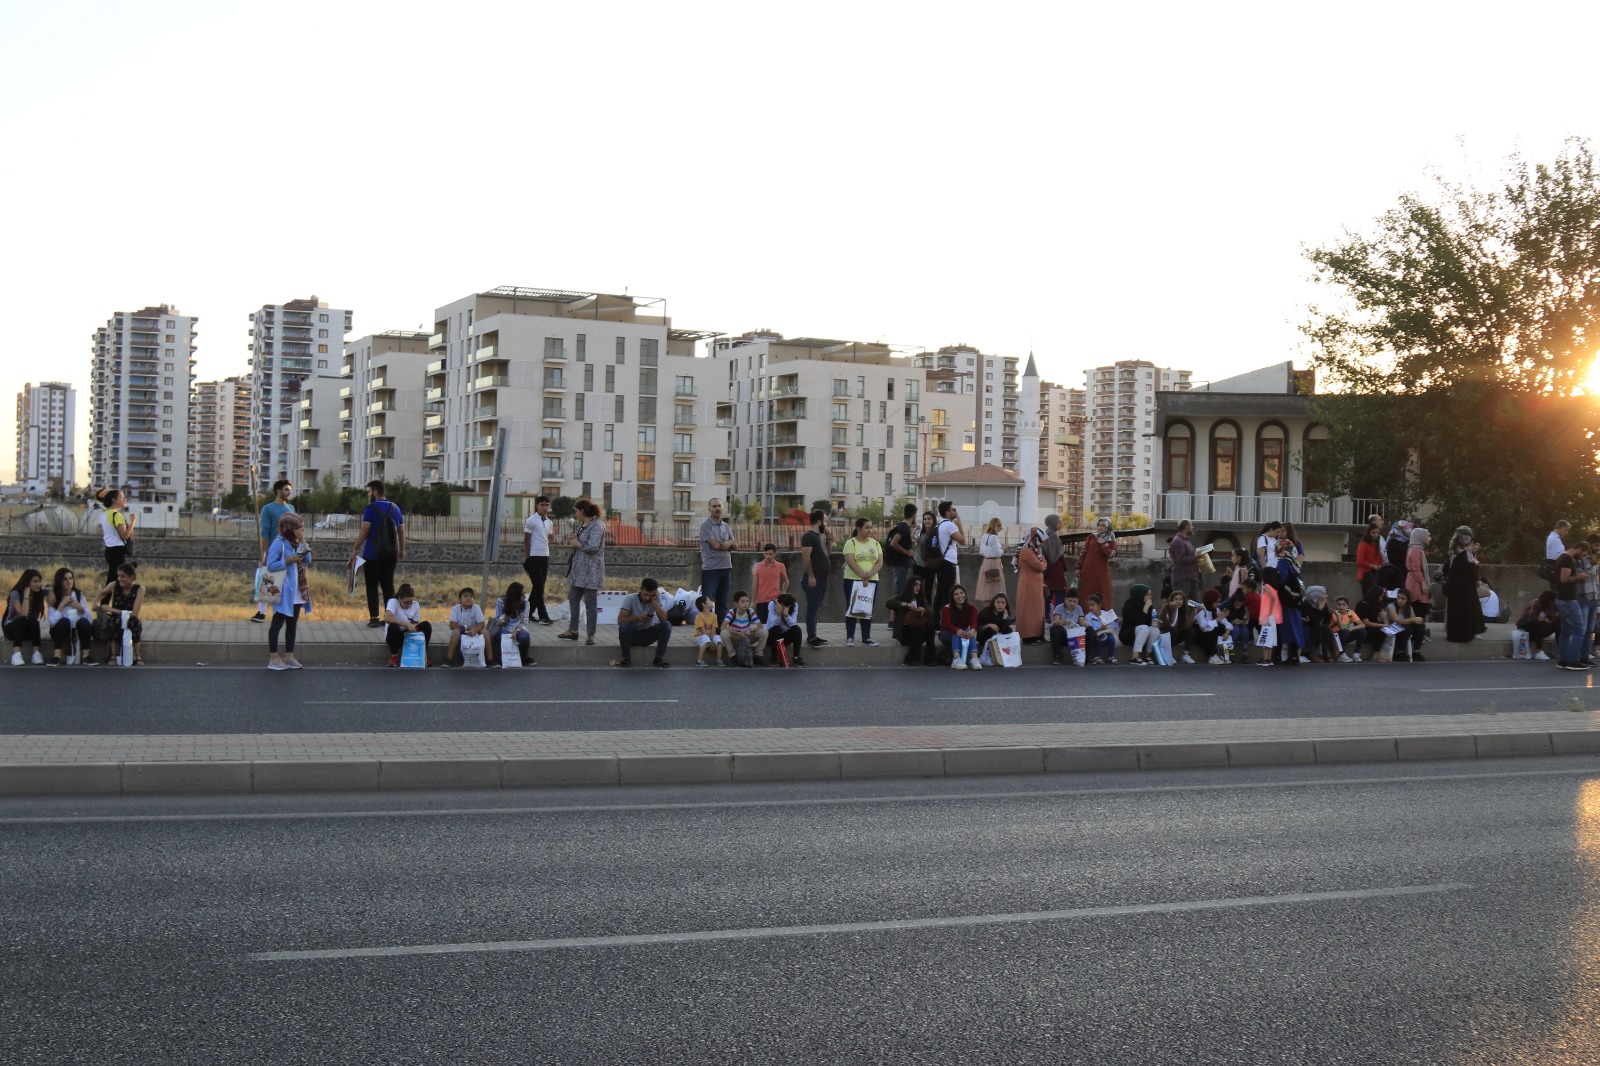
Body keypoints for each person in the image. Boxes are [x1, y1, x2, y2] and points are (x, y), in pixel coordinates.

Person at [349, 480, 405, 629]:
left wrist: (355, 547)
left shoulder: (370, 508)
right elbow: (401, 531)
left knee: (372, 586)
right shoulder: (396, 508)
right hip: (391, 555)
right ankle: (389, 617)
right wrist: (402, 550)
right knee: (388, 586)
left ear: (375, 492)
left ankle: (374, 617)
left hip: (372, 554)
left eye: (369, 491)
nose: (368, 494)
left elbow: (365, 529)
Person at [264, 512, 313, 671]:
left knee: (292, 624)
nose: (302, 530)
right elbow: (270, 565)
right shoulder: (279, 543)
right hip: (283, 591)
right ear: (291, 529)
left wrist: (302, 541)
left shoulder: (296, 543)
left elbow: (308, 560)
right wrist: (287, 561)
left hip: (297, 591)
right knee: (277, 624)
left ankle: (289, 656)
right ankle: (273, 658)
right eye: (300, 528)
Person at [558, 500, 605, 646]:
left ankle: (591, 634)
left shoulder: (597, 525)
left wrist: (577, 544)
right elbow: (581, 543)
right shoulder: (583, 525)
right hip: (579, 570)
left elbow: (593, 546)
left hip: (591, 570)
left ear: (583, 511)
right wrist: (574, 539)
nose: (576, 514)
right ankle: (573, 630)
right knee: (573, 597)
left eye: (577, 511)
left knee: (590, 603)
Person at [254, 479, 295, 623]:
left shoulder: (291, 509)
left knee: (286, 582)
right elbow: (264, 532)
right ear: (278, 491)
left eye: (290, 490)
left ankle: (283, 613)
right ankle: (261, 613)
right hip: (272, 549)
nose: (289, 492)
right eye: (286, 489)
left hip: (287, 551)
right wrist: (267, 553)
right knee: (267, 580)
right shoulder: (268, 509)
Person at [841, 516, 883, 648]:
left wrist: (869, 575)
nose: (869, 530)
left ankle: (866, 637)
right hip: (853, 580)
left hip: (872, 580)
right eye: (867, 527)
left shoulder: (875, 543)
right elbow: (850, 560)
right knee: (852, 607)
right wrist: (862, 575)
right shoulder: (851, 543)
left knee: (867, 608)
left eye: (871, 527)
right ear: (859, 529)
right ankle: (850, 637)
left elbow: (880, 561)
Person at [615, 576, 672, 668]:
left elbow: (664, 619)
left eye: (651, 595)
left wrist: (654, 601)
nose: (647, 597)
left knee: (667, 625)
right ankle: (626, 659)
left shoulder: (656, 599)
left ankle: (658, 659)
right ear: (641, 589)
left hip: (647, 634)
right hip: (632, 635)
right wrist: (637, 618)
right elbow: (620, 620)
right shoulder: (630, 599)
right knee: (624, 626)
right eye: (645, 594)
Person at [96, 562, 145, 666]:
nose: (119, 579)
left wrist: (110, 609)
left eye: (123, 576)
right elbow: (103, 593)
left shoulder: (139, 589)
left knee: (135, 623)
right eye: (118, 576)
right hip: (116, 618)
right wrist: (94, 603)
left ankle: (137, 655)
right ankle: (113, 655)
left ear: (131, 577)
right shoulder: (114, 585)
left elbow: (135, 613)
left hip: (130, 617)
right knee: (114, 623)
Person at [698, 498, 737, 622]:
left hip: (726, 568)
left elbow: (735, 546)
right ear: (709, 509)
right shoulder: (705, 526)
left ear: (723, 508)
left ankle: (721, 631)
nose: (717, 509)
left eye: (719, 506)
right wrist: (727, 544)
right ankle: (707, 632)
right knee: (708, 604)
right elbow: (716, 546)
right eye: (714, 506)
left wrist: (730, 542)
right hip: (711, 569)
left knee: (723, 603)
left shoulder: (726, 526)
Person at [46, 567, 94, 666]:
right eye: (65, 579)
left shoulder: (78, 594)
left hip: (77, 628)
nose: (69, 581)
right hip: (61, 629)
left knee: (84, 622)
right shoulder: (54, 597)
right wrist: (61, 606)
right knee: (64, 621)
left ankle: (86, 656)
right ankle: (56, 656)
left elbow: (89, 618)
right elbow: (52, 622)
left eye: (70, 578)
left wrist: (80, 608)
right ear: (59, 581)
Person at [1556, 541, 1593, 670]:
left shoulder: (1563, 557)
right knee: (1579, 629)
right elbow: (1564, 579)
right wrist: (1579, 577)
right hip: (1568, 600)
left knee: (1566, 631)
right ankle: (1573, 661)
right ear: (1579, 549)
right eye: (1583, 555)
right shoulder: (1567, 559)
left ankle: (1563, 660)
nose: (1582, 558)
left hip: (1564, 599)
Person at [887, 574, 937, 666]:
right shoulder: (901, 597)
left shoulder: (921, 599)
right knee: (921, 629)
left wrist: (923, 611)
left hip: (918, 631)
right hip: (905, 634)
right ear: (910, 585)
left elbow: (931, 612)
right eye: (915, 585)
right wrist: (906, 604)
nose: (918, 587)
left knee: (930, 627)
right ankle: (911, 658)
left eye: (920, 585)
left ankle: (930, 659)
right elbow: (889, 603)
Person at [521, 495, 555, 625]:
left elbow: (549, 537)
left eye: (547, 505)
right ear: (537, 505)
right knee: (539, 588)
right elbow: (526, 539)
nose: (545, 508)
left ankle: (528, 614)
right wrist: (528, 557)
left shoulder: (549, 522)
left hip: (544, 555)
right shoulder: (531, 520)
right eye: (542, 505)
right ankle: (543, 615)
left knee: (538, 587)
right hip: (534, 556)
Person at [799, 509, 831, 648]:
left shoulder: (820, 536)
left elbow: (827, 553)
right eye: (825, 520)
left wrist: (829, 539)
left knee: (816, 608)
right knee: (812, 608)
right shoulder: (809, 536)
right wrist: (811, 576)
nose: (826, 523)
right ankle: (811, 636)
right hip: (814, 578)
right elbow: (806, 558)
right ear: (818, 521)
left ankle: (814, 634)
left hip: (822, 579)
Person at [1444, 526, 1481, 643]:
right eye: (1465, 536)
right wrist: (1474, 564)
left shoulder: (1466, 551)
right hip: (1459, 587)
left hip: (1466, 586)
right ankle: (1460, 635)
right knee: (1459, 611)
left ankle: (1468, 633)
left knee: (1467, 610)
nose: (1467, 539)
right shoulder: (1456, 551)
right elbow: (1461, 567)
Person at [383, 583, 431, 667]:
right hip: (395, 635)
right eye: (406, 602)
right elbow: (387, 618)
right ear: (399, 599)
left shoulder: (416, 605)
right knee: (393, 627)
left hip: (408, 634)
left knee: (426, 625)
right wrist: (407, 624)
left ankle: (423, 655)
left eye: (410, 602)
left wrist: (413, 627)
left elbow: (416, 622)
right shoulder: (393, 602)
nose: (408, 605)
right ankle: (394, 656)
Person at [487, 582, 534, 667]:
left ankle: (524, 657)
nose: (524, 597)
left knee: (525, 636)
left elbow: (524, 622)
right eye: (522, 594)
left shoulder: (526, 603)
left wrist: (516, 631)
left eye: (525, 594)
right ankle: (503, 658)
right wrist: (508, 614)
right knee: (505, 634)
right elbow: (498, 621)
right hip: (502, 629)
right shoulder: (501, 601)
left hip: (517, 629)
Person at [5, 569, 46, 666]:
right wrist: (26, 596)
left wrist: (52, 592)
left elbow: (51, 590)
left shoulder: (38, 593)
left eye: (39, 581)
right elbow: (22, 613)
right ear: (27, 582)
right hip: (11, 628)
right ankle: (16, 654)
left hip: (26, 630)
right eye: (35, 581)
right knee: (22, 619)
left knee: (34, 621)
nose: (38, 584)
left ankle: (36, 654)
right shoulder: (15, 593)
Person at [1013, 527, 1047, 644]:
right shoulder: (1026, 551)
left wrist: (1043, 562)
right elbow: (1039, 566)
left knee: (1038, 610)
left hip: (1035, 584)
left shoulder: (1035, 550)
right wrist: (1043, 563)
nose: (1042, 544)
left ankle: (1038, 634)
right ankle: (1028, 636)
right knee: (1029, 610)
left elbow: (1043, 563)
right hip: (1028, 585)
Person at [96, 488, 136, 587]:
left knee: (112, 579)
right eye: (122, 497)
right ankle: (107, 601)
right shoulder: (117, 515)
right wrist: (133, 522)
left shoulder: (105, 514)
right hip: (118, 550)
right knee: (121, 580)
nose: (125, 499)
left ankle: (105, 601)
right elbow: (125, 535)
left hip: (109, 550)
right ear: (114, 500)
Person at [933, 501, 966, 618]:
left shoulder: (939, 525)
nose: (955, 512)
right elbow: (963, 541)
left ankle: (936, 621)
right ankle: (945, 621)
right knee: (947, 594)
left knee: (940, 593)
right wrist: (960, 524)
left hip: (940, 562)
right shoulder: (949, 525)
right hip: (948, 562)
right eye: (953, 510)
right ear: (948, 513)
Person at [940, 584, 982, 670]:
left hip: (963, 632)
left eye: (961, 593)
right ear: (952, 597)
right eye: (956, 594)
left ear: (965, 594)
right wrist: (958, 631)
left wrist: (972, 631)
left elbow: (974, 623)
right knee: (956, 632)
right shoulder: (947, 608)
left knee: (969, 631)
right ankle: (956, 659)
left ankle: (974, 658)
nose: (960, 596)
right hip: (946, 633)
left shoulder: (972, 608)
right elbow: (948, 625)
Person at [1077, 517, 1116, 610]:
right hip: (1087, 570)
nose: (1100, 527)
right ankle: (1085, 616)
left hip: (1101, 572)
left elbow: (1111, 555)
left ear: (1108, 527)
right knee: (1086, 592)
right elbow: (1083, 552)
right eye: (1099, 525)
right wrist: (1078, 568)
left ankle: (1102, 617)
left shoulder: (1111, 539)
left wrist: (1103, 544)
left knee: (1102, 592)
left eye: (1103, 525)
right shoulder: (1092, 536)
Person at [444, 587, 486, 668]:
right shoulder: (455, 609)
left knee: (485, 632)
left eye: (471, 596)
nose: (468, 598)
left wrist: (474, 630)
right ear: (460, 599)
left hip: (473, 634)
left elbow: (482, 624)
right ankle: (448, 659)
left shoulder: (476, 608)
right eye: (465, 596)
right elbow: (452, 625)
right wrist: (465, 629)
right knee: (456, 632)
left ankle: (490, 659)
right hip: (461, 633)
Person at [884, 503, 919, 599]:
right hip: (901, 564)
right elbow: (894, 543)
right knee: (900, 591)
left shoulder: (902, 526)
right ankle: (896, 612)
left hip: (901, 563)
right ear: (914, 514)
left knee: (901, 590)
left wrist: (912, 540)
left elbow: (901, 541)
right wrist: (907, 552)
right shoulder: (904, 527)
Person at [722, 591, 766, 668]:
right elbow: (723, 627)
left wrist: (750, 631)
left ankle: (757, 657)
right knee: (723, 633)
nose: (746, 603)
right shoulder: (732, 612)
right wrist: (738, 634)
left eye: (747, 601)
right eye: (743, 601)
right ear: (736, 603)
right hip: (735, 637)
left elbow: (760, 626)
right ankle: (733, 657)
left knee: (764, 632)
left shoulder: (750, 611)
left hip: (747, 637)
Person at [1405, 526, 1432, 649]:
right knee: (1419, 610)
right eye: (1427, 536)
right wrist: (1423, 583)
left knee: (1420, 610)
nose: (1429, 538)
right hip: (1416, 584)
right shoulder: (1416, 550)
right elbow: (1416, 568)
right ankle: (1416, 643)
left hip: (1416, 582)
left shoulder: (1417, 549)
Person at [763, 592, 805, 667]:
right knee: (776, 628)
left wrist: (786, 615)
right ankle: (774, 657)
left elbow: (793, 623)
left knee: (797, 629)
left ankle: (796, 657)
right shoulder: (772, 604)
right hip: (771, 637)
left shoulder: (794, 605)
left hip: (784, 637)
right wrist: (778, 614)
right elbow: (772, 623)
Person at [1516, 591, 1559, 661]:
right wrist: (1543, 619)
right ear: (1548, 600)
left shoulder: (1549, 607)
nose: (1552, 603)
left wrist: (1557, 616)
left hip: (1537, 630)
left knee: (1557, 626)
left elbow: (1551, 620)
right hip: (1525, 628)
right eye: (1552, 601)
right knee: (1542, 625)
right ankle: (1539, 652)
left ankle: (1560, 650)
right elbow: (1530, 619)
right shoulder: (1536, 603)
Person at [1385, 589, 1425, 662]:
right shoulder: (1391, 607)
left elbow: (1413, 620)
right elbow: (1398, 621)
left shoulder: (1409, 607)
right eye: (1398, 597)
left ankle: (1416, 652)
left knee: (1420, 627)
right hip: (1390, 628)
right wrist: (1413, 619)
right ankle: (1400, 652)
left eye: (1403, 599)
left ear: (1407, 600)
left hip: (1403, 628)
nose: (1400, 600)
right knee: (1407, 628)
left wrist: (1417, 621)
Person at [1121, 584, 1157, 666]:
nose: (1150, 597)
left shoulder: (1149, 605)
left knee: (1154, 629)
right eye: (1147, 595)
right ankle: (1134, 658)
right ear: (1140, 595)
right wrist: (1145, 609)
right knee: (1144, 628)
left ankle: (1148, 656)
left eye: (1150, 594)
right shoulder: (1129, 605)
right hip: (1127, 634)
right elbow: (1137, 622)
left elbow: (1148, 622)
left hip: (1142, 634)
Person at [974, 518, 1007, 606]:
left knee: (987, 589)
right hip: (994, 563)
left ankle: (986, 612)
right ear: (994, 526)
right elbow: (997, 553)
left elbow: (981, 551)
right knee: (995, 589)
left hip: (986, 563)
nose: (1001, 528)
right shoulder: (994, 537)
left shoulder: (985, 536)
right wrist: (1003, 549)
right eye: (999, 525)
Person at [1157, 590, 1196, 665]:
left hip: (1176, 636)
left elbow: (1187, 626)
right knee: (1173, 630)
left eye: (1180, 599)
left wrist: (1195, 611)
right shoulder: (1167, 609)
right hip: (1166, 636)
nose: (1178, 601)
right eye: (1176, 599)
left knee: (1190, 630)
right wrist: (1175, 611)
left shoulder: (1184, 609)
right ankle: (1168, 655)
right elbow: (1171, 626)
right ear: (1171, 600)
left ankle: (1185, 654)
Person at [1048, 589, 1085, 666]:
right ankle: (1058, 656)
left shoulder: (1079, 608)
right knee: (1055, 629)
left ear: (1078, 601)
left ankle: (1088, 657)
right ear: (1065, 599)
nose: (1072, 603)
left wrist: (1085, 624)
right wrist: (1061, 622)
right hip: (1064, 634)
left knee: (1089, 630)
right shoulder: (1059, 607)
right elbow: (1055, 622)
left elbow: (1081, 622)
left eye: (1074, 601)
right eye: (1070, 601)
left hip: (1075, 635)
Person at [1041, 513, 1069, 611]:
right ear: (1053, 523)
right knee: (1059, 594)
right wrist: (1061, 550)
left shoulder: (1046, 534)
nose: (1061, 524)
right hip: (1055, 569)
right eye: (1059, 522)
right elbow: (1053, 557)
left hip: (1048, 569)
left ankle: (1046, 617)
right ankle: (1058, 616)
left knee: (1048, 594)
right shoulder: (1053, 536)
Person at [1302, 585, 1336, 663]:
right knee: (1318, 629)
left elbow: (1327, 620)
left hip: (1317, 625)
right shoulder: (1305, 604)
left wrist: (1327, 611)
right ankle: (1314, 654)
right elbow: (1313, 620)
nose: (1326, 596)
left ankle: (1326, 654)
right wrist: (1319, 609)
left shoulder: (1321, 602)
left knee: (1326, 630)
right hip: (1307, 625)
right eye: (1324, 594)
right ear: (1316, 594)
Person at [1084, 593, 1118, 664]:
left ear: (1099, 605)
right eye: (1089, 605)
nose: (1090, 607)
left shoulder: (1105, 613)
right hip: (1096, 635)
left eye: (1093, 605)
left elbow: (1113, 625)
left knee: (1111, 638)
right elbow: (1091, 630)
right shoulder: (1088, 616)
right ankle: (1097, 656)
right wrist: (1100, 628)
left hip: (1106, 632)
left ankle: (1111, 656)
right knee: (1104, 636)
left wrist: (1116, 621)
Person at [1169, 520, 1199, 600]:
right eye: (1191, 525)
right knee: (1182, 604)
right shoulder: (1178, 541)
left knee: (1193, 605)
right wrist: (1195, 557)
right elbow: (1180, 559)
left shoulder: (1186, 540)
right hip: (1182, 578)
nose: (1193, 527)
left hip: (1191, 577)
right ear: (1187, 527)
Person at [1193, 588, 1224, 664]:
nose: (1218, 604)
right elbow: (1204, 627)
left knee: (1221, 628)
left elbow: (1225, 623)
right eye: (1216, 602)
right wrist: (1218, 619)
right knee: (1213, 630)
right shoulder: (1201, 610)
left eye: (1219, 602)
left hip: (1210, 634)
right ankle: (1212, 655)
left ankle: (1220, 653)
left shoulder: (1216, 610)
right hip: (1200, 634)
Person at [692, 594, 725, 667]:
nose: (711, 601)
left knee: (719, 639)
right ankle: (699, 660)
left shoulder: (714, 616)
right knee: (706, 638)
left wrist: (713, 641)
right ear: (704, 604)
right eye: (709, 600)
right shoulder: (699, 615)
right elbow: (702, 630)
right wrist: (710, 643)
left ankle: (719, 660)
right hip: (700, 636)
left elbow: (713, 630)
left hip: (710, 637)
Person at [752, 543, 788, 607]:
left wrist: (783, 592)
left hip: (775, 600)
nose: (768, 557)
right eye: (766, 554)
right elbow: (755, 584)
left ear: (775, 554)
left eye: (770, 554)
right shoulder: (758, 566)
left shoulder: (780, 566)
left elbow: (786, 581)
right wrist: (753, 601)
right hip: (761, 600)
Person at [1330, 595, 1363, 662]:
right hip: (1335, 636)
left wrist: (1353, 628)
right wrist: (1338, 616)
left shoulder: (1350, 613)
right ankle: (1342, 654)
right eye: (1339, 604)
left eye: (1343, 604)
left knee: (1362, 631)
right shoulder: (1335, 614)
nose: (1341, 607)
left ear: (1347, 606)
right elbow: (1341, 628)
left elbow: (1362, 625)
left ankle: (1356, 653)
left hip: (1345, 635)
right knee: (1344, 631)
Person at [1356, 525, 1384, 596]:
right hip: (1366, 574)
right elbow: (1360, 561)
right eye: (1373, 533)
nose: (1376, 535)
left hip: (1375, 573)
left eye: (1377, 533)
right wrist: (1373, 566)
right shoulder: (1363, 544)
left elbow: (1379, 559)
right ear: (1369, 533)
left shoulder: (1375, 544)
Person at [1226, 588, 1252, 664]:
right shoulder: (1227, 606)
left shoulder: (1244, 608)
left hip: (1240, 625)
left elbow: (1246, 618)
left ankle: (1244, 654)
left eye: (1240, 605)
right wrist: (1233, 622)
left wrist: (1244, 621)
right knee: (1236, 630)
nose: (1238, 607)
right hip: (1229, 627)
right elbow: (1223, 621)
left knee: (1245, 630)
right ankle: (1230, 653)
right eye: (1237, 605)